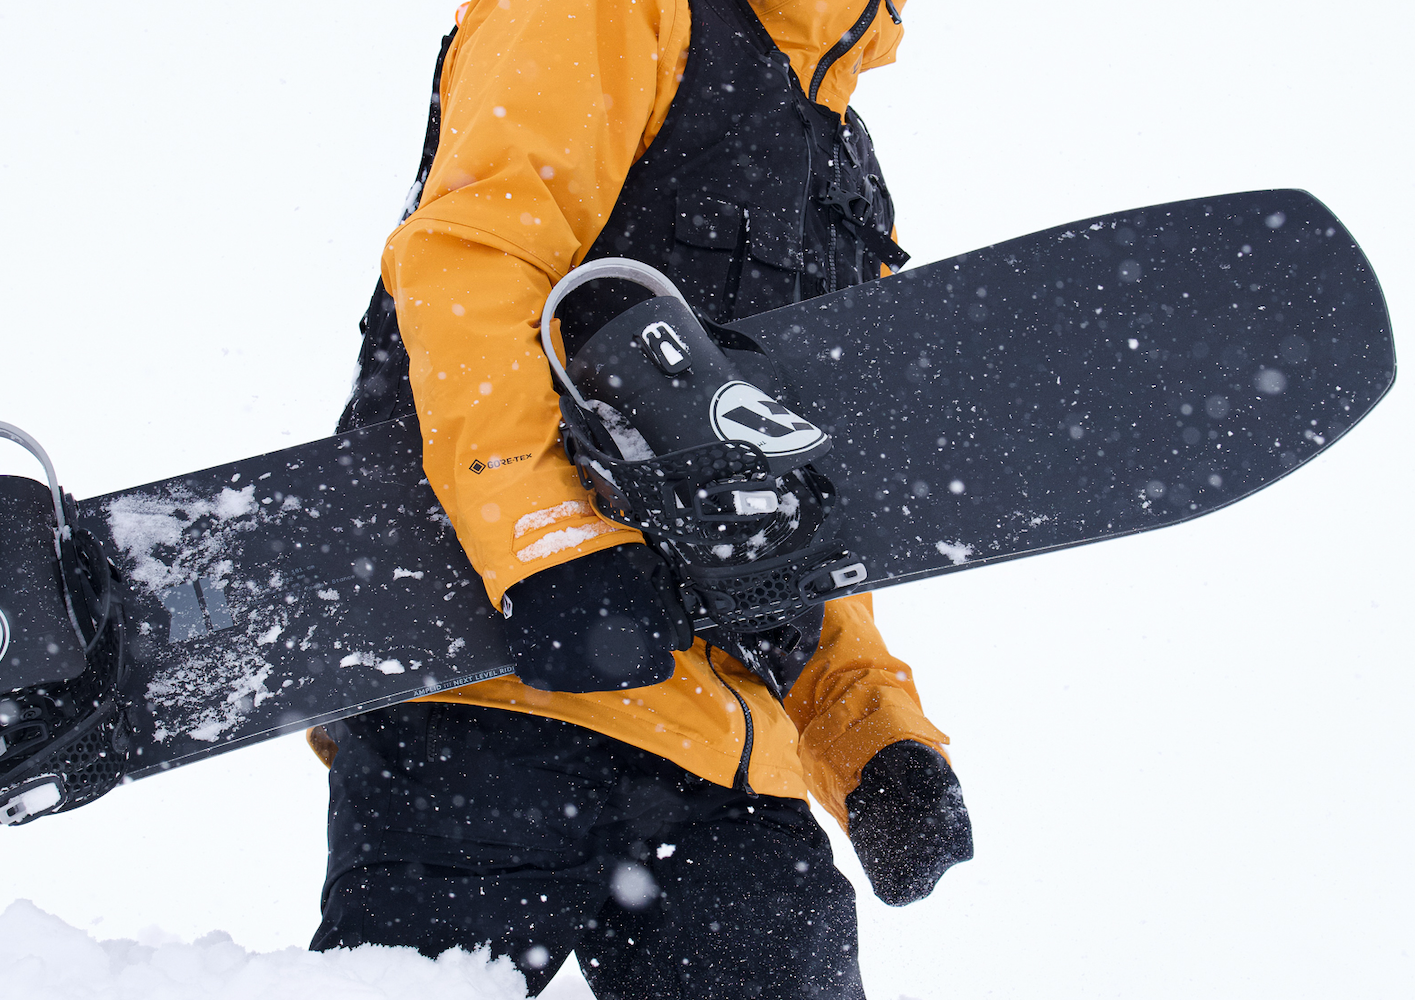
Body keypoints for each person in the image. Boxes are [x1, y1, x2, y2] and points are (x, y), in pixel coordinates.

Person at [313, 2, 969, 996]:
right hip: (489, 697)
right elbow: (472, 260)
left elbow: (788, 488)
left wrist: (866, 731)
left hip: (724, 754)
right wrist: (548, 541)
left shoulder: (834, 153)